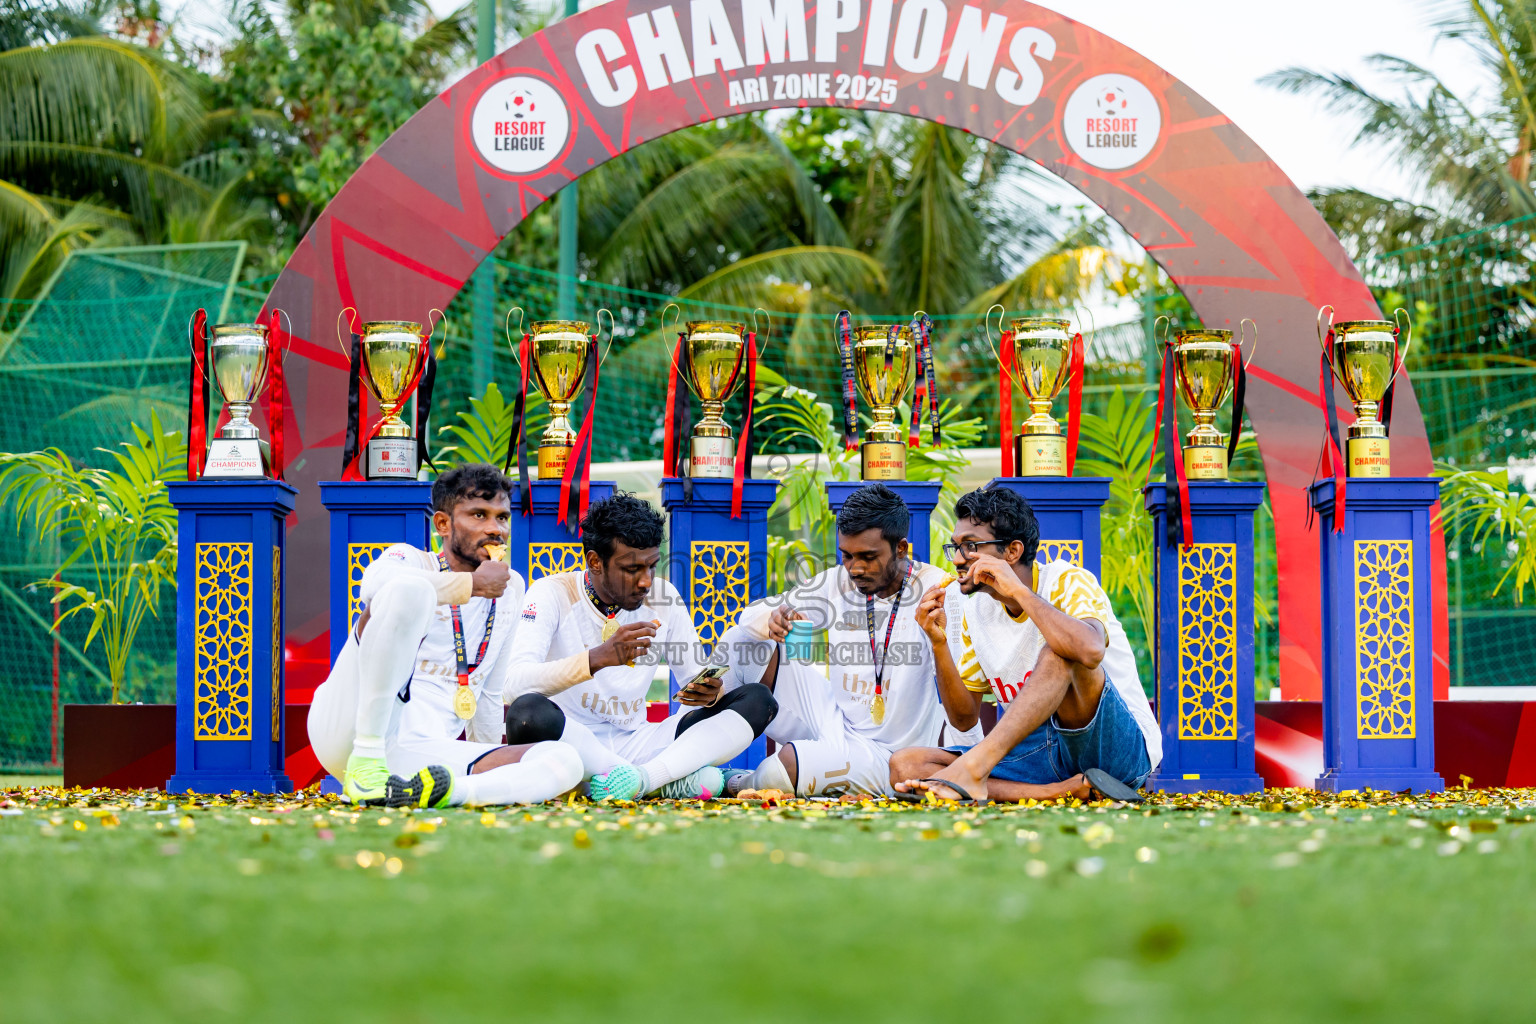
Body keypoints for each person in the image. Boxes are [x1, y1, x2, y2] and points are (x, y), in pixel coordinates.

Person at [308, 464, 584, 808]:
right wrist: (471, 585)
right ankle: (366, 765)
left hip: (417, 755)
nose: (494, 529)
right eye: (479, 515)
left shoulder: (511, 587)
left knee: (563, 759)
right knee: (409, 590)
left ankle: (447, 793)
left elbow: (488, 694)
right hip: (347, 731)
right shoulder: (412, 560)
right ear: (442, 524)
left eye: (502, 517)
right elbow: (374, 586)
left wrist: (485, 754)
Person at [891, 485, 1160, 803]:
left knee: (1061, 651)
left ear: (1012, 551)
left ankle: (973, 770)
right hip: (1041, 756)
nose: (958, 560)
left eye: (971, 547)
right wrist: (939, 645)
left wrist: (1018, 591)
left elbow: (1089, 650)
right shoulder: (975, 612)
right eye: (955, 548)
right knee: (906, 766)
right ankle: (1058, 791)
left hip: (1117, 750)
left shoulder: (1066, 580)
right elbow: (964, 719)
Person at [502, 493, 777, 800]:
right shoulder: (551, 593)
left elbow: (694, 678)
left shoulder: (663, 596)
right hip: (571, 742)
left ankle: (642, 780)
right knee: (525, 714)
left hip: (642, 744)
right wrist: (597, 659)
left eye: (652, 566)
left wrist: (711, 695)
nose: (646, 581)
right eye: (632, 569)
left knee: (757, 701)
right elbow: (514, 686)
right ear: (595, 562)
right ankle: (666, 780)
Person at [723, 483, 982, 799]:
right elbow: (750, 617)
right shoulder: (838, 580)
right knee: (742, 642)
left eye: (868, 557)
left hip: (888, 755)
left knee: (781, 769)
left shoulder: (939, 592)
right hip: (832, 721)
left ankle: (732, 782)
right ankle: (695, 754)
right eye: (847, 555)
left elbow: (964, 710)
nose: (855, 568)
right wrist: (774, 617)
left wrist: (972, 768)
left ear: (901, 548)